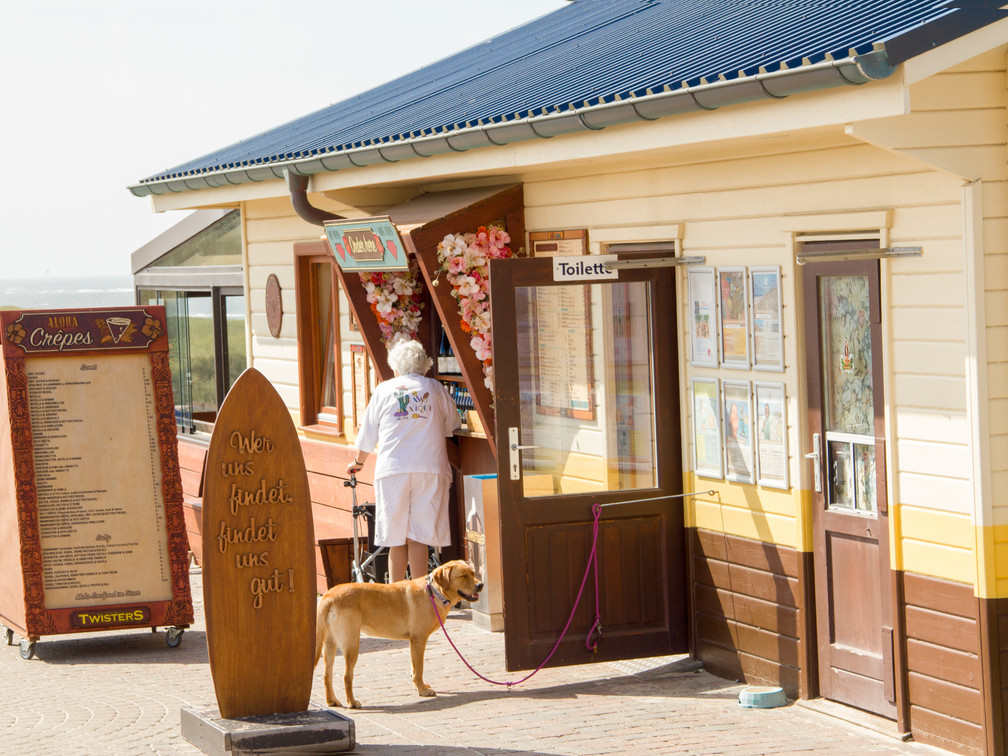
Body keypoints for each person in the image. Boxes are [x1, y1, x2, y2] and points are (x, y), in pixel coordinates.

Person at [347, 337, 461, 582]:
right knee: (419, 536)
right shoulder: (435, 388)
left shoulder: (383, 390)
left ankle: (396, 595)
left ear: (396, 368)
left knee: (395, 538)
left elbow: (367, 434)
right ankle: (419, 595)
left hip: (393, 469)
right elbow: (453, 423)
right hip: (429, 467)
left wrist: (358, 462)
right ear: (424, 366)